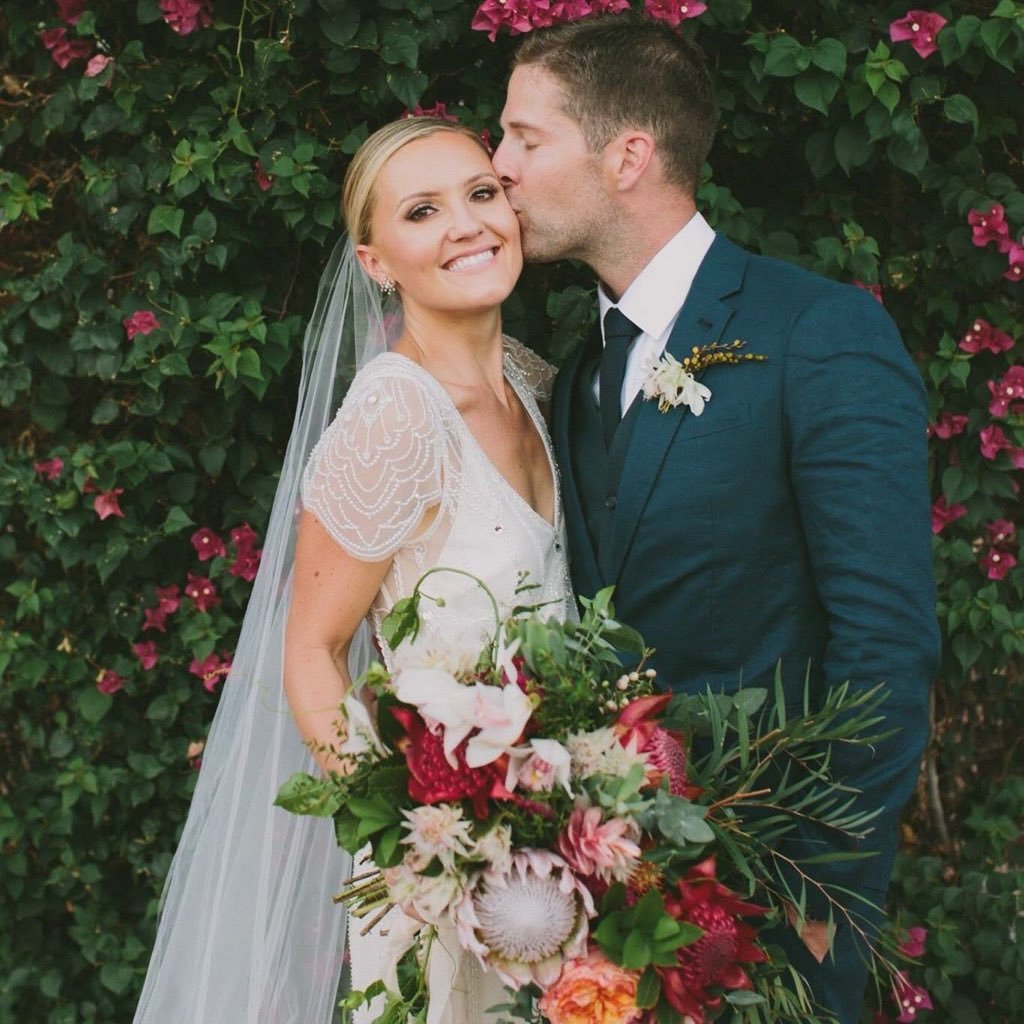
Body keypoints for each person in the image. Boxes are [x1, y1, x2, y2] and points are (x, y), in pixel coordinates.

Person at [492, 13, 940, 1024]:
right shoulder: (577, 373)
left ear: (627, 156)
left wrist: (819, 897)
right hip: (608, 923)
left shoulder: (815, 332)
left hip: (771, 923)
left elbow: (888, 642)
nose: (501, 165)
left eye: (526, 137)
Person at [133, 116, 572, 1024]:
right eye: (422, 211)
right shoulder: (394, 420)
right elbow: (312, 653)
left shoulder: (533, 383)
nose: (467, 225)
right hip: (445, 879)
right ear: (378, 263)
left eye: (481, 194)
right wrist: (421, 850)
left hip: (555, 864)